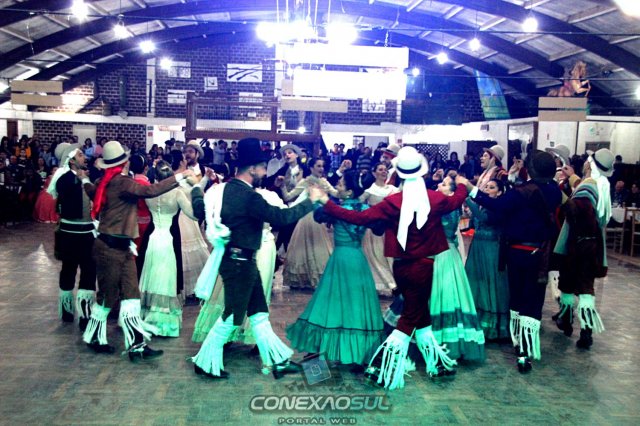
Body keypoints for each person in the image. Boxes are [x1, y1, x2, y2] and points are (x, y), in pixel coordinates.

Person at [318, 147, 468, 389]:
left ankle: (437, 363)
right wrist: (461, 185)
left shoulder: (393, 202)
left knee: (420, 315)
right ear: (421, 172)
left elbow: (358, 218)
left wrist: (327, 202)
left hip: (401, 266)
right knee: (410, 318)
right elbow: (457, 200)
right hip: (423, 266)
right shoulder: (434, 199)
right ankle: (380, 366)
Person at [192, 138, 326, 380]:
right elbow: (281, 217)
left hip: (239, 260)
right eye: (263, 167)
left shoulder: (230, 188)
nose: (265, 172)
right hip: (240, 263)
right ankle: (204, 361)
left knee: (258, 314)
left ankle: (277, 361)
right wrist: (311, 200)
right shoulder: (248, 196)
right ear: (253, 168)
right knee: (232, 316)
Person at [81, 141, 195, 360]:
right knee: (108, 296)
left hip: (122, 247)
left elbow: (92, 191)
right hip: (110, 248)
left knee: (132, 296)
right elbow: (149, 190)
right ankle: (94, 337)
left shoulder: (105, 182)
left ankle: (136, 344)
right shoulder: (122, 182)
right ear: (123, 162)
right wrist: (180, 176)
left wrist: (84, 179)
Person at [458, 151, 562, 374]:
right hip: (541, 253)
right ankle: (526, 349)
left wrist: (470, 188)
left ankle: (520, 347)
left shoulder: (521, 193)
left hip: (517, 253)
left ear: (531, 170)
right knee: (533, 301)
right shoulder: (554, 191)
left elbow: (495, 206)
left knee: (517, 298)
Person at [287, 170, 385, 368]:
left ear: (349, 191)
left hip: (340, 260)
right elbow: (379, 229)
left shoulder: (336, 209)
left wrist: (317, 199)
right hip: (358, 260)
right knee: (356, 304)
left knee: (329, 302)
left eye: (340, 184)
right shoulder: (366, 208)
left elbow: (318, 216)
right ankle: (358, 352)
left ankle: (318, 351)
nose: (337, 187)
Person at [553, 149, 613, 350]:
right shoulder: (600, 184)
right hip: (592, 244)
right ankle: (585, 329)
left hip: (577, 244)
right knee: (586, 287)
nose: (586, 162)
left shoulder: (589, 185)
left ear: (590, 164)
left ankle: (567, 320)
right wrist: (572, 178)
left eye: (588, 160)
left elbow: (577, 208)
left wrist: (559, 195)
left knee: (568, 283)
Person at [139, 161, 204, 337]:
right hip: (168, 239)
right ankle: (164, 324)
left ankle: (146, 318)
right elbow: (194, 215)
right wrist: (197, 189)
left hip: (151, 238)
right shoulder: (177, 193)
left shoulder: (149, 193)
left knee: (151, 276)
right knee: (166, 278)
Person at [431, 175, 485, 361]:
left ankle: (441, 339)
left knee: (442, 292)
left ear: (452, 191)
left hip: (441, 253)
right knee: (451, 293)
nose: (439, 185)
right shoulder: (449, 206)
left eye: (444, 184)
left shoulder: (445, 206)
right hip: (448, 251)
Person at [48, 143, 96, 331]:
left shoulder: (84, 177)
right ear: (71, 160)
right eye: (81, 155)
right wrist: (81, 178)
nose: (85, 157)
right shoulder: (64, 179)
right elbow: (67, 191)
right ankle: (67, 310)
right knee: (68, 270)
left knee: (88, 271)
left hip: (86, 232)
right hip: (70, 233)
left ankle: (85, 313)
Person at [464, 179, 510, 340]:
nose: (487, 189)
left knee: (490, 282)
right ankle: (476, 319)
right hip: (477, 247)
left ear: (499, 192)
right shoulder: (482, 205)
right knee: (476, 281)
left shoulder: (499, 207)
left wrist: (468, 200)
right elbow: (473, 223)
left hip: (491, 249)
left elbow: (484, 219)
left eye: (492, 187)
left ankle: (492, 324)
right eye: (486, 187)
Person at [281, 158, 336, 290]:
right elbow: (288, 197)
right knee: (303, 247)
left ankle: (317, 277)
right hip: (306, 217)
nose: (321, 168)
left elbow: (336, 194)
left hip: (319, 218)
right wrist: (282, 185)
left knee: (319, 247)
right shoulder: (305, 182)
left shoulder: (324, 182)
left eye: (322, 166)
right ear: (311, 168)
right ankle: (304, 277)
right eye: (318, 166)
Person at [359, 162, 399, 295]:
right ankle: (383, 283)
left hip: (390, 228)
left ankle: (393, 282)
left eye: (385, 169)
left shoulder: (393, 189)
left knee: (388, 256)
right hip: (374, 229)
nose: (383, 171)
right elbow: (358, 204)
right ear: (374, 173)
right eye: (380, 169)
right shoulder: (369, 191)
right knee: (376, 255)